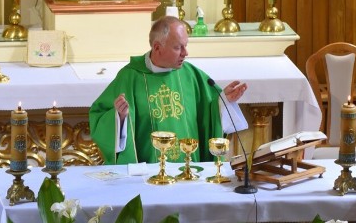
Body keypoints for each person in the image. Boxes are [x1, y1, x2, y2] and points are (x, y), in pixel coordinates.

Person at [90, 16, 248, 164]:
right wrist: (119, 117)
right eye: (178, 47)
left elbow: (208, 112)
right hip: (148, 177)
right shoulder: (130, 77)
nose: (185, 53)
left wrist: (223, 101)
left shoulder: (191, 75)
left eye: (185, 46)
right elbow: (99, 117)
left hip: (189, 170)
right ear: (157, 47)